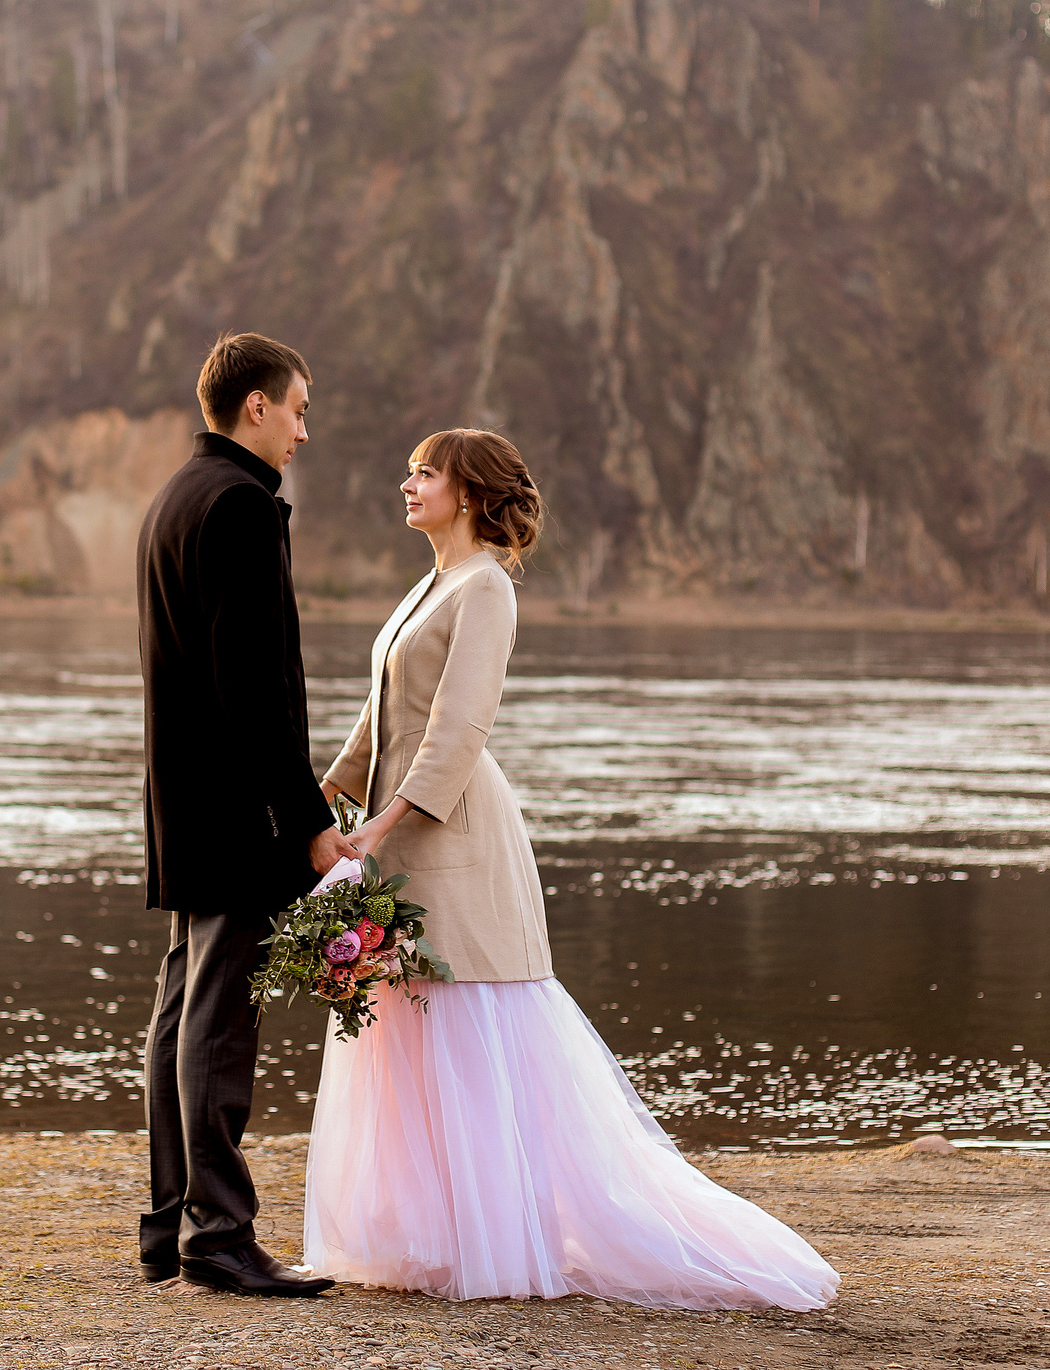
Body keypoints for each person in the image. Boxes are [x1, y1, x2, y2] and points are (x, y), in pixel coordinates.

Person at [302, 428, 840, 1312]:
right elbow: (381, 712)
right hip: (392, 834)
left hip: (453, 833)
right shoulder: (428, 584)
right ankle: (427, 1236)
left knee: (467, 1024)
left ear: (469, 493)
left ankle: (501, 1239)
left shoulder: (487, 589)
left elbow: (460, 728)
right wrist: (329, 799)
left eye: (424, 472)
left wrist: (387, 821)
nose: (406, 483)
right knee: (406, 1028)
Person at [135, 331, 358, 1299]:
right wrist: (305, 817)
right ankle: (218, 1237)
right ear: (256, 405)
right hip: (235, 809)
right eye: (299, 408)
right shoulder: (239, 506)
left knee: (183, 1008)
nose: (304, 430)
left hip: (185, 798)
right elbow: (254, 690)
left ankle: (167, 1224)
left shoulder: (174, 498)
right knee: (217, 1021)